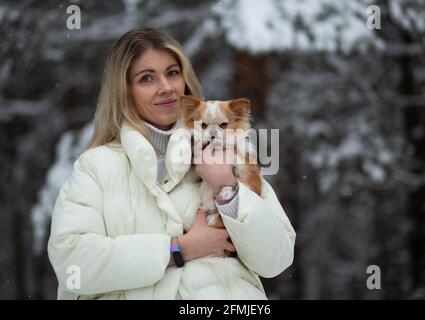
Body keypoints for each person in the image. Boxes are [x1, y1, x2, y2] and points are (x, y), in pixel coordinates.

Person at [47, 28, 296, 300]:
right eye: (147, 78)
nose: (166, 87)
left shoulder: (230, 152)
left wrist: (227, 187)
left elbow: (277, 259)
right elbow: (73, 264)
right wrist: (178, 250)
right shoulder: (95, 166)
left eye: (173, 73)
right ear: (125, 91)